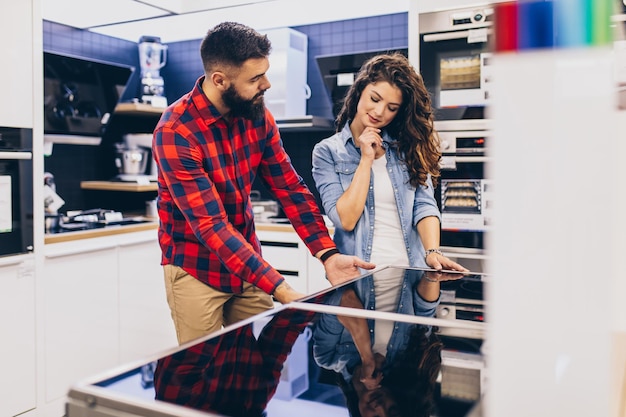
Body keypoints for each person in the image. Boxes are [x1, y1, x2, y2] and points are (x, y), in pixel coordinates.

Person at [152, 21, 375, 345]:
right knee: (201, 380)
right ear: (220, 80)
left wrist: (327, 253)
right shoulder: (176, 131)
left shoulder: (257, 115)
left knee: (250, 373)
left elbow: (289, 188)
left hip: (247, 265)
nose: (267, 84)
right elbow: (211, 226)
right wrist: (281, 288)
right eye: (255, 78)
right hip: (195, 269)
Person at [311, 53, 468, 273]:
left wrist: (433, 251)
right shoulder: (327, 151)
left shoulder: (407, 147)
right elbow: (345, 219)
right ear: (359, 91)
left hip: (410, 272)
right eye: (375, 99)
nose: (379, 112)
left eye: (391, 108)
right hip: (358, 276)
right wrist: (366, 159)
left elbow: (423, 205)